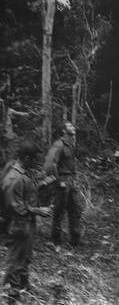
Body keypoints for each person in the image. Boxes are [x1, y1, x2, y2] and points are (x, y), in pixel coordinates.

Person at [2, 142, 52, 304]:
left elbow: (27, 190)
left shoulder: (24, 172)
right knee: (14, 259)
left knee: (26, 255)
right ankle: (12, 295)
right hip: (16, 224)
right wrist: (39, 211)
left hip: (26, 223)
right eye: (34, 159)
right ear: (26, 158)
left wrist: (43, 183)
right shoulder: (14, 178)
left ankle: (23, 284)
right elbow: (15, 207)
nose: (36, 163)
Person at [43, 121, 84, 249]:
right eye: (70, 126)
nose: (73, 127)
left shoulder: (71, 144)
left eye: (73, 125)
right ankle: (56, 240)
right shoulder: (58, 144)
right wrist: (57, 181)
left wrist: (75, 179)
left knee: (75, 209)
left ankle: (75, 239)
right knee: (59, 211)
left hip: (71, 180)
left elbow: (73, 163)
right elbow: (50, 164)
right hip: (61, 181)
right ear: (64, 130)